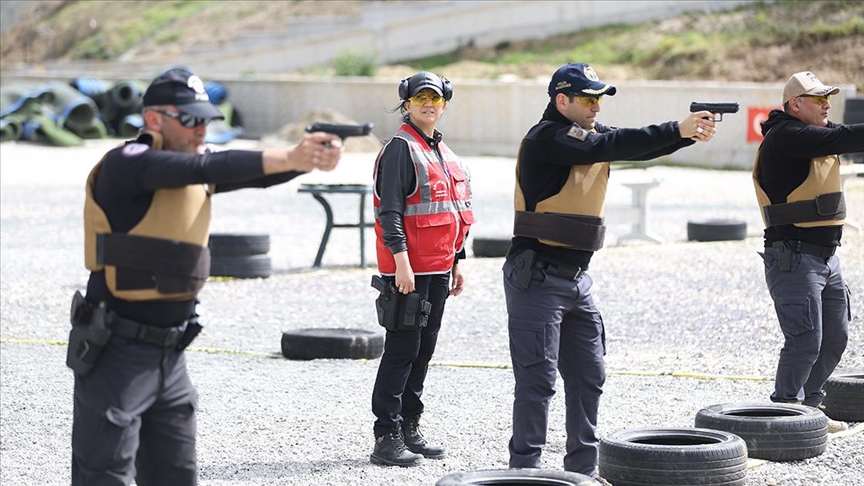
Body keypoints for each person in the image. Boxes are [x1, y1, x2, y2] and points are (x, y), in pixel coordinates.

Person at [67, 67, 343, 485]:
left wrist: (305, 162)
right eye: (190, 118)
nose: (201, 128)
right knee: (104, 477)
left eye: (206, 119)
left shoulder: (193, 166)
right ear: (153, 118)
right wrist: (291, 156)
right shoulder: (127, 163)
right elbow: (204, 166)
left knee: (177, 476)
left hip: (171, 355)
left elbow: (249, 172)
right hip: (116, 353)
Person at [502, 62, 717, 480]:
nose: (596, 106)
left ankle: (582, 472)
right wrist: (678, 127)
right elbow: (611, 144)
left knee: (589, 376)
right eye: (587, 99)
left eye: (598, 99)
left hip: (575, 280)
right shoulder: (547, 137)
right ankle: (524, 472)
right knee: (537, 381)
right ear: (561, 101)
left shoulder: (587, 136)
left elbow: (632, 145)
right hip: (538, 278)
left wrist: (685, 134)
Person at [369, 72, 475, 467]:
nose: (429, 104)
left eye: (435, 99)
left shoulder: (441, 151)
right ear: (407, 104)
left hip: (438, 269)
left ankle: (410, 427)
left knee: (423, 350)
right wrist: (401, 265)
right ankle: (386, 436)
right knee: (402, 351)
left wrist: (458, 259)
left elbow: (453, 211)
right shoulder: (401, 149)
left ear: (444, 104)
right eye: (421, 98)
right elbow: (390, 212)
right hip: (408, 272)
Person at [753, 71, 863, 433]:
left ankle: (810, 408)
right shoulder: (786, 136)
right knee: (805, 341)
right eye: (818, 99)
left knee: (835, 338)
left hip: (826, 256)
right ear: (795, 104)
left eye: (827, 97)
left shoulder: (808, 136)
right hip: (795, 257)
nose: (826, 104)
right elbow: (845, 136)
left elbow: (840, 136)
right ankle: (786, 414)